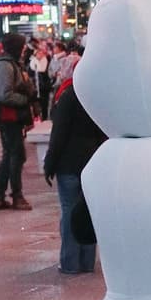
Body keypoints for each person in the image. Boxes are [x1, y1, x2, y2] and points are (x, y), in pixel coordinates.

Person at [43, 78, 105, 274]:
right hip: (92, 162)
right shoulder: (96, 98)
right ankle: (87, 262)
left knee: (69, 211)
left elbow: (59, 135)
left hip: (69, 164)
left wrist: (49, 165)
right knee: (87, 212)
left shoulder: (68, 97)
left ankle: (70, 263)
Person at [0, 33, 35, 211]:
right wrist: (25, 100)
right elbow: (4, 94)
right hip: (8, 117)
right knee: (15, 156)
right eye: (22, 46)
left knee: (11, 155)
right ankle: (16, 195)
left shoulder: (13, 63)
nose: (24, 50)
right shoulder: (5, 66)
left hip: (13, 117)